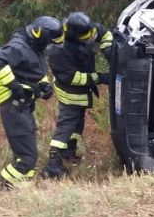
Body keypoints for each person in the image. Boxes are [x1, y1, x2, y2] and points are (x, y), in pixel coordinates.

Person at [0, 16, 62, 189]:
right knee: (28, 157)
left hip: (23, 106)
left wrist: (44, 84)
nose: (49, 46)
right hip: (14, 105)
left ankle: (18, 189)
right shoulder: (19, 46)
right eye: (48, 42)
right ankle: (3, 188)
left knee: (24, 154)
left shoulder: (34, 47)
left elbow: (32, 70)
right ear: (40, 35)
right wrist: (14, 86)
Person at [44, 12, 113, 178]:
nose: (90, 40)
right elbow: (71, 77)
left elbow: (105, 33)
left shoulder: (85, 26)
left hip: (83, 92)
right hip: (70, 94)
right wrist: (99, 77)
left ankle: (69, 152)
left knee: (77, 125)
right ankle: (52, 165)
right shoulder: (58, 49)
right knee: (66, 126)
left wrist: (108, 49)